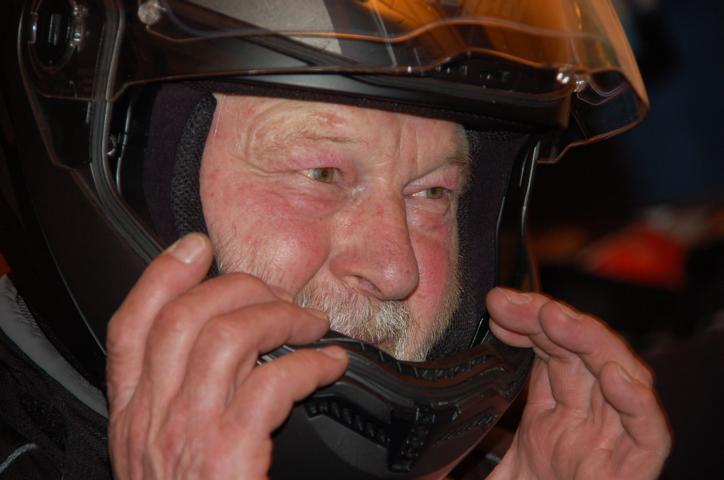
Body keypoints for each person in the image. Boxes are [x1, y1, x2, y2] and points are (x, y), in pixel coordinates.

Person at [0, 0, 670, 478]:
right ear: (132, 176)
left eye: (433, 194)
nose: (396, 269)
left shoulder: (513, 458)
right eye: (321, 174)